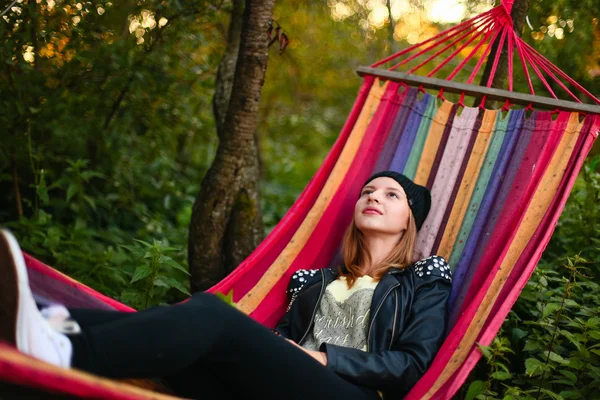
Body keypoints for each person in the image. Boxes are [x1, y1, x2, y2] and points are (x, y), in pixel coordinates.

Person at [0, 170, 452, 400]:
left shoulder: (423, 280)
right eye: (368, 191)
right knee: (177, 345)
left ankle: (65, 352)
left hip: (352, 395)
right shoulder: (314, 283)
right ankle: (47, 320)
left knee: (212, 315)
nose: (373, 196)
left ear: (409, 218)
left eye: (391, 195)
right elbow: (276, 355)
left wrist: (318, 356)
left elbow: (410, 365)